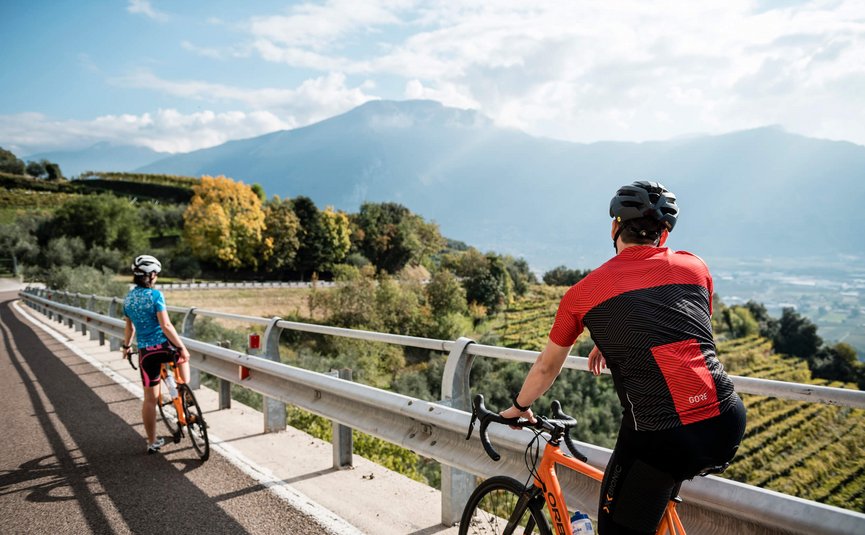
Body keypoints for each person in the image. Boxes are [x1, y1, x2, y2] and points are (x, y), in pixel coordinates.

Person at [501, 181, 746, 535]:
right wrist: (616, 337)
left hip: (661, 434)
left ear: (615, 227)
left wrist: (520, 405)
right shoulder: (695, 266)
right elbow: (687, 330)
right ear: (663, 235)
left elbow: (546, 367)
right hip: (726, 420)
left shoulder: (583, 294)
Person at [121, 254, 192, 454]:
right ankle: (183, 391)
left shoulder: (128, 300)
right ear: (151, 275)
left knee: (150, 399)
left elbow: (130, 330)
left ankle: (152, 441)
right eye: (156, 274)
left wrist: (126, 347)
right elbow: (166, 325)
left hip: (146, 354)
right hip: (164, 348)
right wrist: (182, 348)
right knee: (183, 358)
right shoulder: (155, 296)